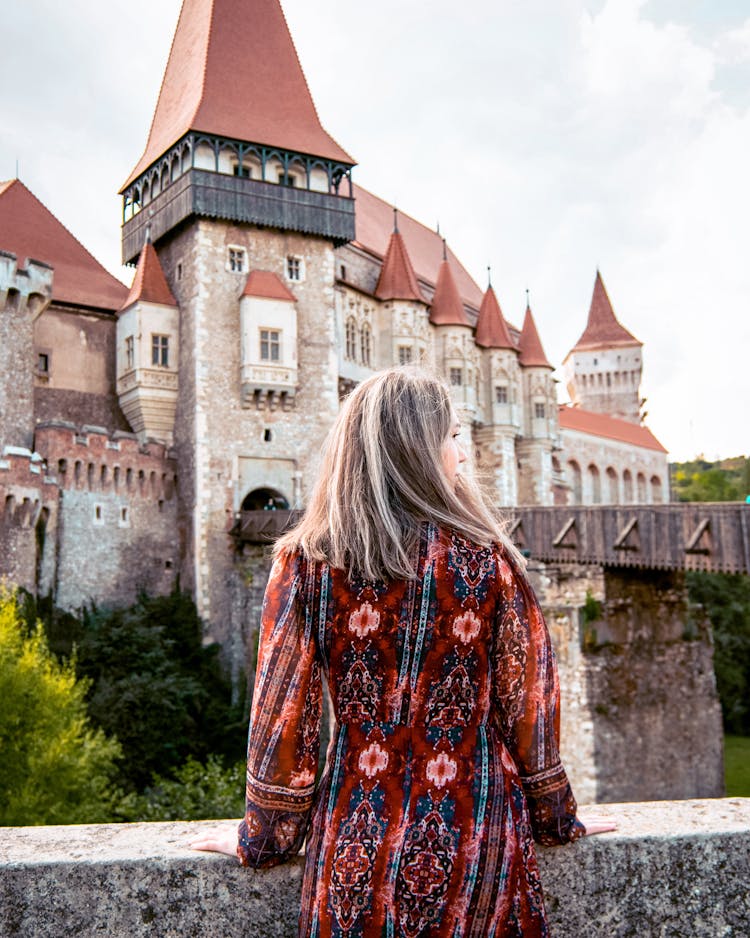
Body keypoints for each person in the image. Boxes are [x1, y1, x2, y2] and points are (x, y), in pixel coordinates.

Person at [191, 368, 616, 936]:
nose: (461, 456)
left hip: (355, 845)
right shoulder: (488, 562)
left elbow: (283, 719)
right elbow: (529, 710)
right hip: (478, 846)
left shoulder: (305, 565)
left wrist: (264, 833)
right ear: (417, 449)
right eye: (452, 437)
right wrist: (557, 816)